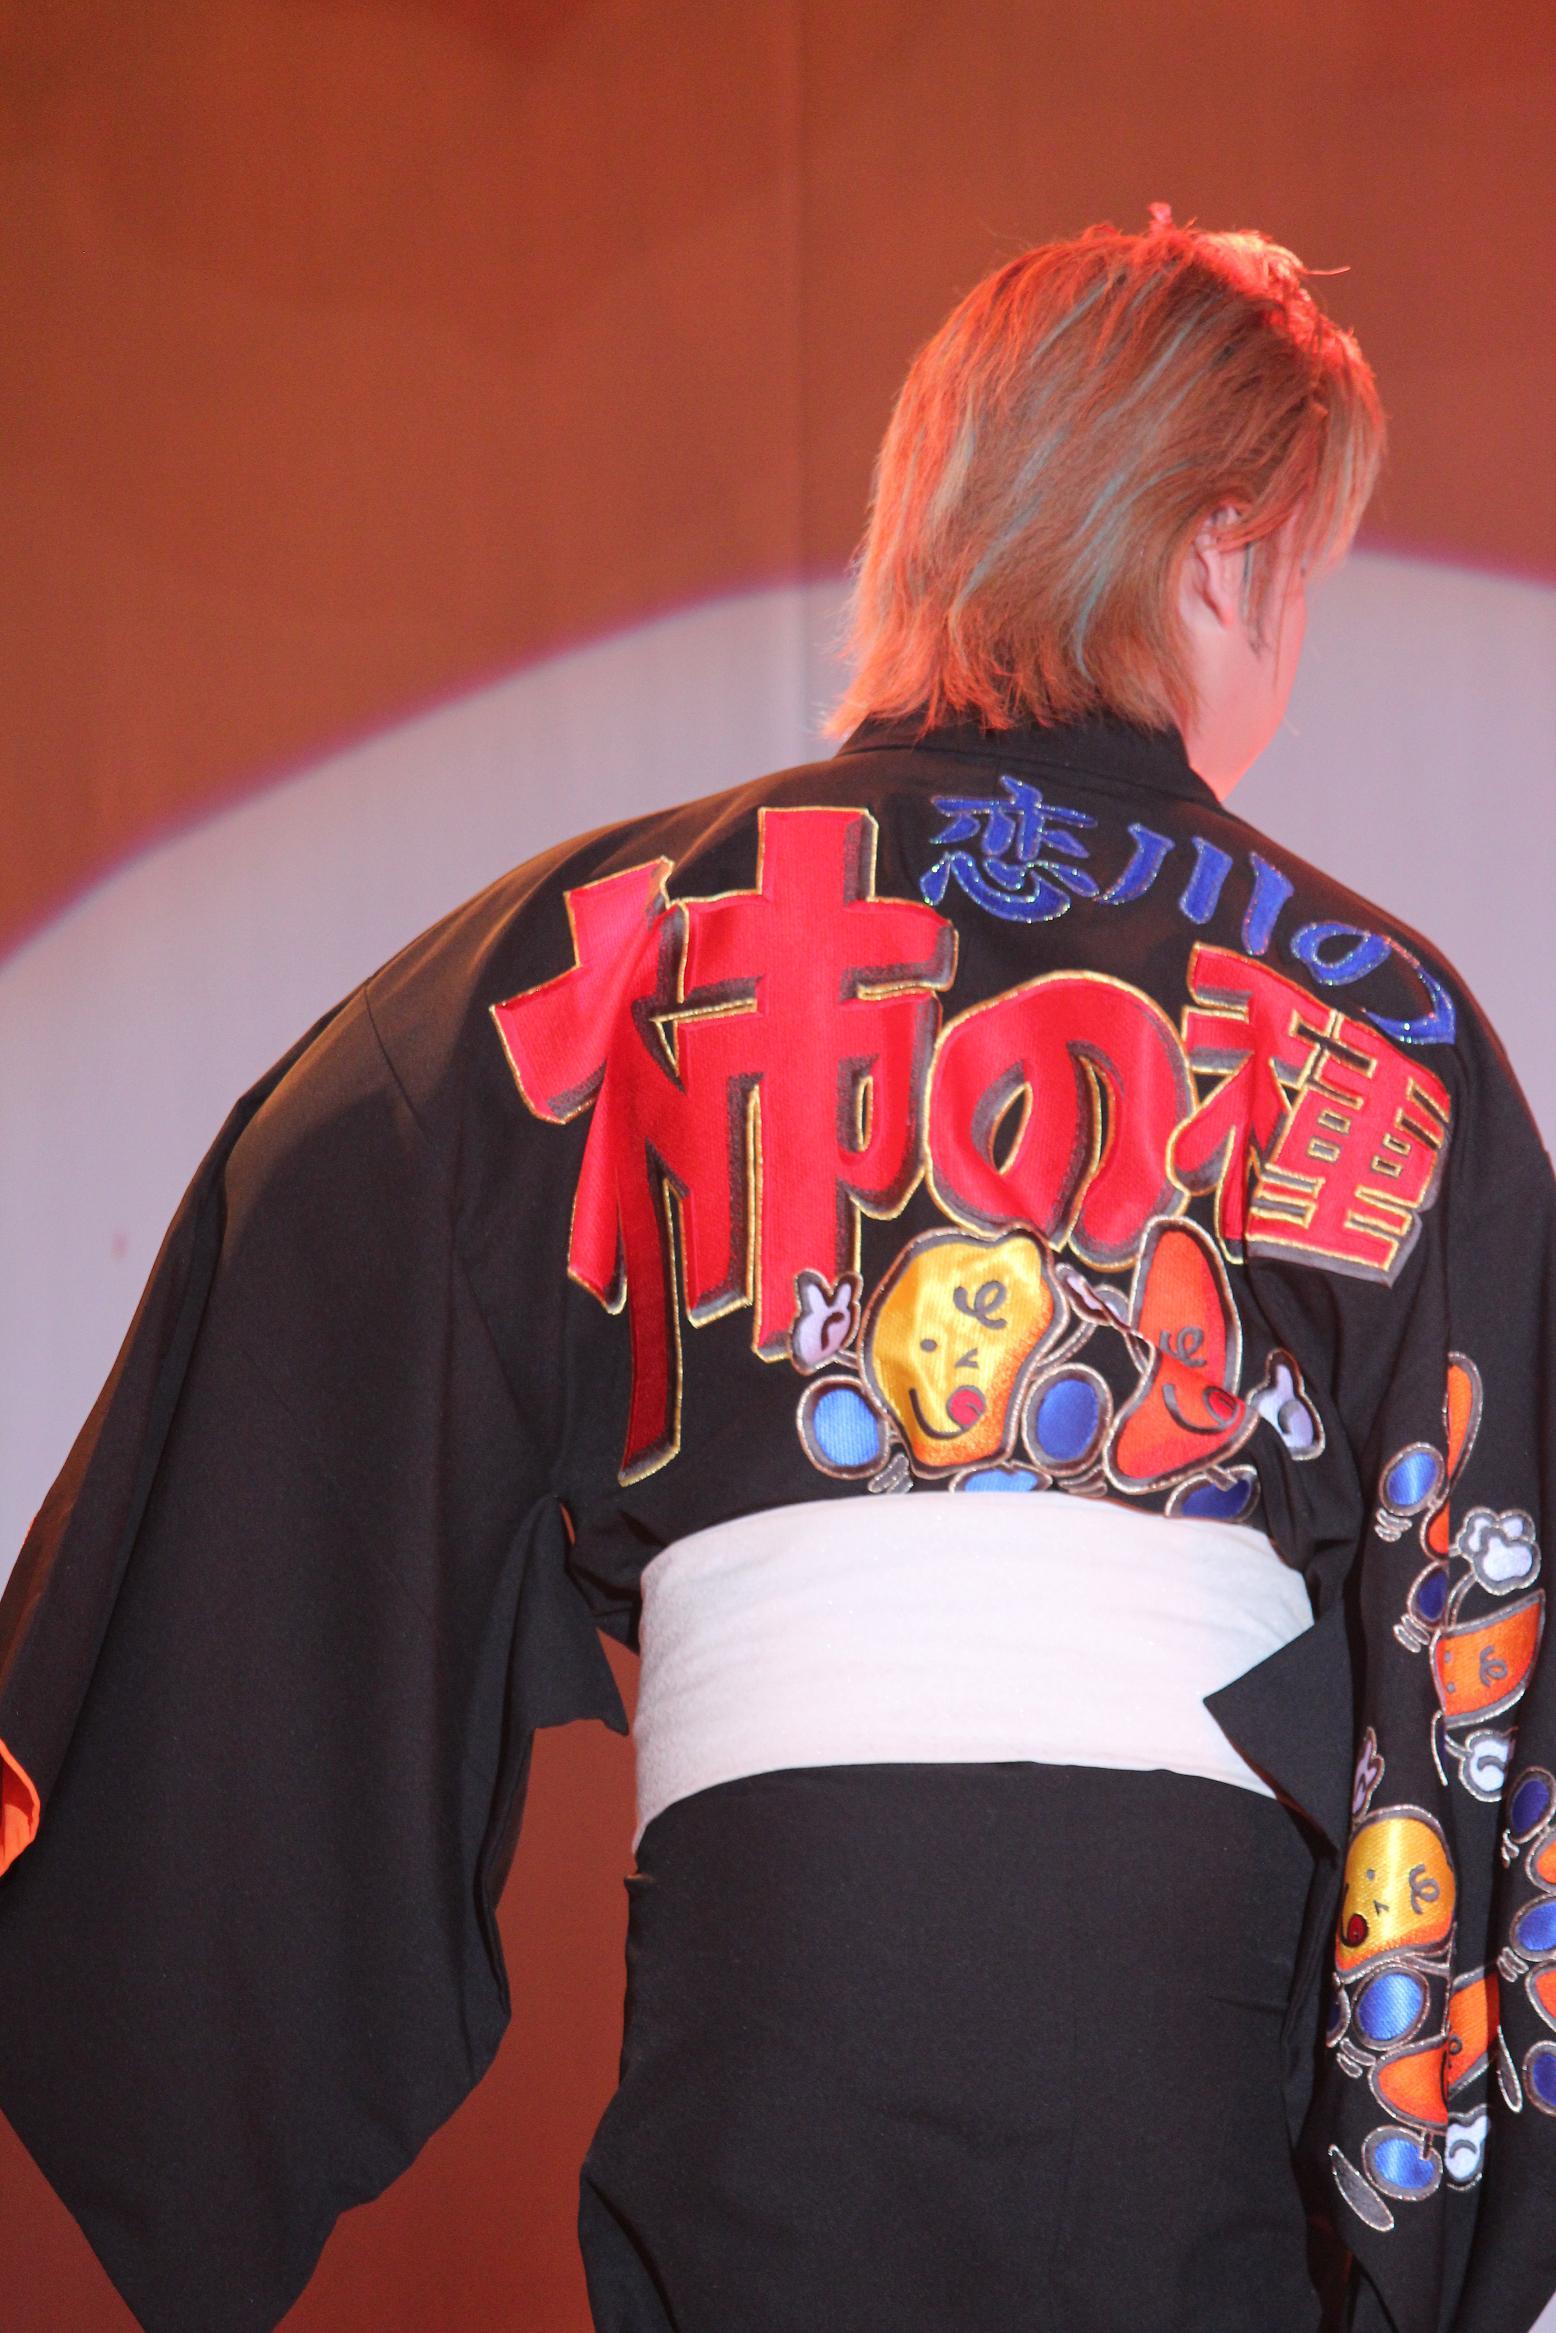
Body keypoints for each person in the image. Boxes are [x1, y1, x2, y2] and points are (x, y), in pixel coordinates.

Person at [1, 215, 1553, 2333]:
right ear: (1220, 551)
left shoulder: (612, 940)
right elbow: (1475, 1588)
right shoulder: (1373, 1011)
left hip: (771, 1973)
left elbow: (331, 1206)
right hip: (1159, 2012)